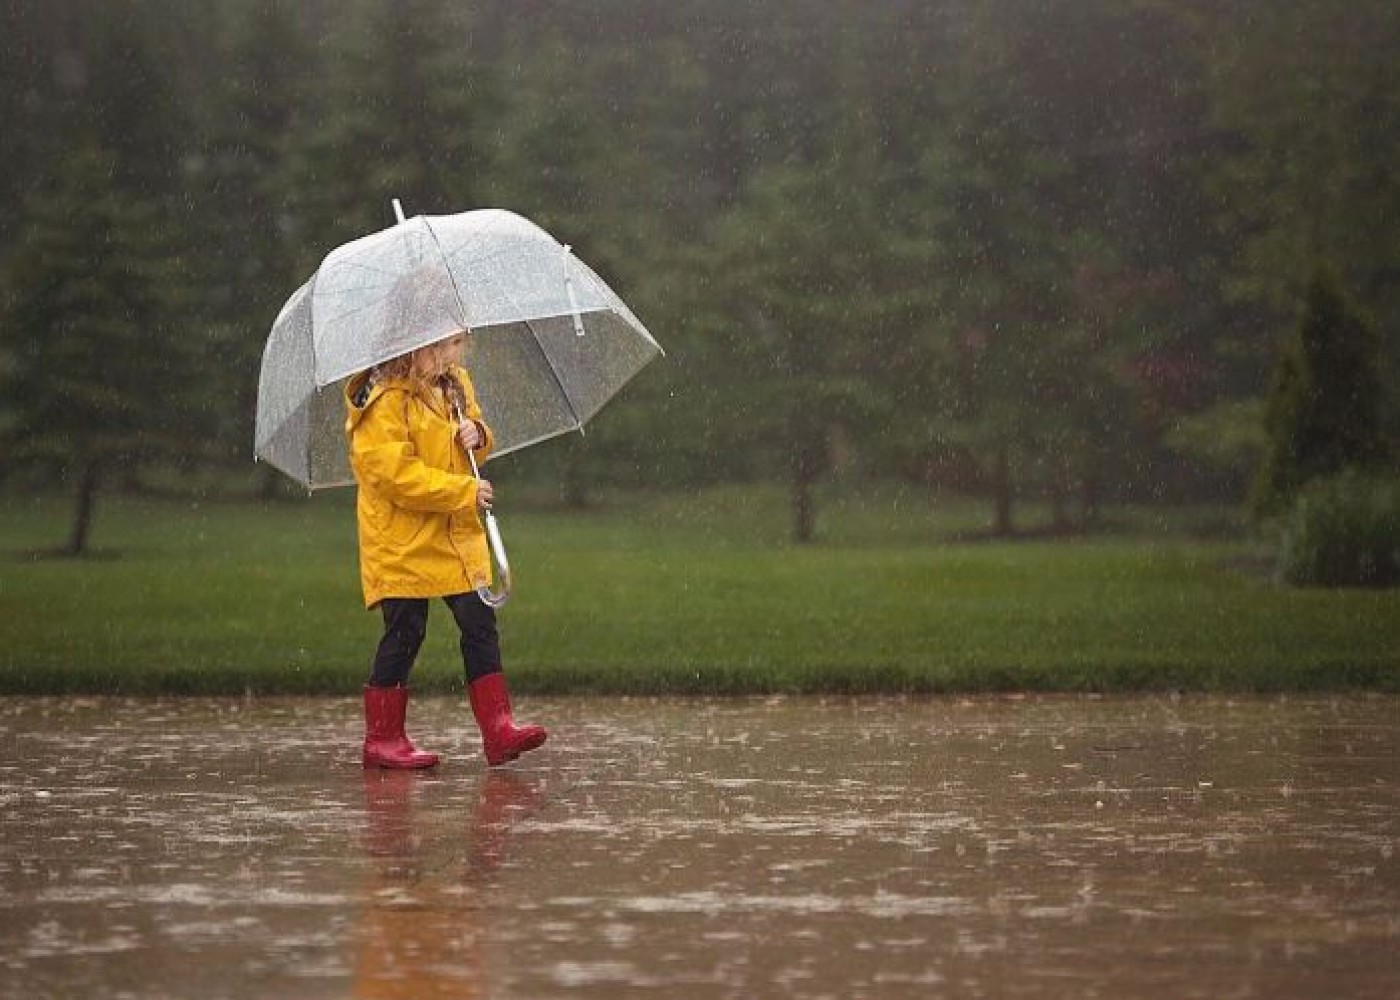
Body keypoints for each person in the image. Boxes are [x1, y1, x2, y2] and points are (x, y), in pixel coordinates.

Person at [344, 330, 547, 769]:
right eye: (448, 344)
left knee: (479, 621)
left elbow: (470, 450)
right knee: (405, 630)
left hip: (454, 534)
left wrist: (480, 434)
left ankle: (498, 729)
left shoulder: (454, 385)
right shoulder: (382, 401)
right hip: (401, 540)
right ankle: (383, 738)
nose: (457, 354)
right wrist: (462, 492)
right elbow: (396, 477)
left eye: (459, 343)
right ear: (416, 344)